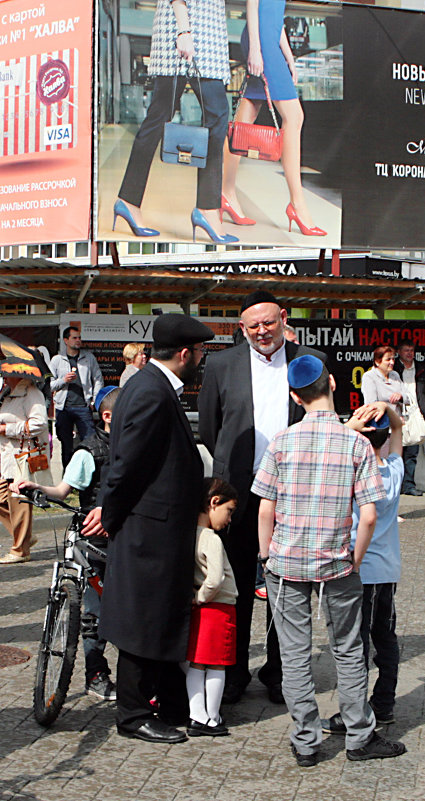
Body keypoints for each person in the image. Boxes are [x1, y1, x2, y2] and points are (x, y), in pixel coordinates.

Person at [253, 355, 406, 767]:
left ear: (294, 396)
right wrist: (355, 561)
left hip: (286, 563)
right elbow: (369, 515)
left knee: (295, 654)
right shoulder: (356, 443)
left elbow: (265, 509)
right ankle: (359, 736)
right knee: (349, 649)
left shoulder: (281, 442)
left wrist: (267, 555)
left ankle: (305, 741)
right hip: (338, 562)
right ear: (333, 385)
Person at [198, 290, 326, 705]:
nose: (261, 331)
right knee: (232, 582)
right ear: (241, 328)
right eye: (252, 325)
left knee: (284, 586)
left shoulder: (310, 360)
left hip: (292, 492)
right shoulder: (220, 364)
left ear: (284, 318)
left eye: (268, 322)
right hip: (237, 491)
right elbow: (210, 429)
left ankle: (278, 672)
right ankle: (232, 673)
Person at [98, 313, 214, 744]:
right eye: (200, 352)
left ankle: (166, 701)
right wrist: (109, 515)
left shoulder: (150, 385)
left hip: (155, 526)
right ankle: (131, 714)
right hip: (149, 529)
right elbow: (127, 463)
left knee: (155, 616)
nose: (201, 359)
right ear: (185, 354)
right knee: (141, 620)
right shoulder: (152, 391)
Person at [14, 386, 120, 700]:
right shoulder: (88, 451)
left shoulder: (138, 445)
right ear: (107, 416)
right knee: (91, 613)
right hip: (93, 539)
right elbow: (63, 490)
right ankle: (96, 674)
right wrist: (38, 489)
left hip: (126, 537)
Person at [113, 0, 238, 245]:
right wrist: (183, 30)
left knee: (159, 117)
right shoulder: (185, 31)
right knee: (215, 115)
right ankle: (207, 209)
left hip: (203, 33)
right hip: (188, 31)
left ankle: (128, 200)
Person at [322, 403, 404, 736]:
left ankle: (355, 712)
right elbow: (398, 430)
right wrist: (387, 408)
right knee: (385, 639)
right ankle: (383, 704)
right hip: (387, 571)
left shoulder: (351, 471)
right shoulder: (394, 469)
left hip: (356, 568)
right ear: (384, 439)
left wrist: (350, 425)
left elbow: (332, 444)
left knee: (355, 645)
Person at [221, 0, 326, 237]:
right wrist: (256, 50)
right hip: (262, 44)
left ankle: (226, 192)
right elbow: (253, 4)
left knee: (245, 119)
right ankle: (297, 205)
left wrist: (288, 56)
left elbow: (275, 16)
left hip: (268, 42)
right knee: (294, 116)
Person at [182, 477, 238, 738]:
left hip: (200, 608)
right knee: (217, 664)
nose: (229, 518)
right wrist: (203, 596)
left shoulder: (188, 533)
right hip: (218, 607)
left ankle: (197, 714)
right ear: (214, 503)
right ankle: (212, 717)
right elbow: (216, 578)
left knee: (196, 663)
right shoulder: (212, 538)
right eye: (229, 510)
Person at [0, 361, 51, 564]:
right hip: (7, 456)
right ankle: (25, 537)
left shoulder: (31, 393)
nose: (3, 375)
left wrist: (7, 429)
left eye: (6, 372)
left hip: (22, 456)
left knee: (18, 500)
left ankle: (20, 549)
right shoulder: (7, 392)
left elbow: (39, 424)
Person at [50, 327, 104, 469]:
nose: (78, 340)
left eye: (79, 337)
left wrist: (94, 400)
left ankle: (91, 477)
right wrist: (64, 380)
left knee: (90, 442)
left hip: (83, 407)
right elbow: (49, 385)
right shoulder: (57, 360)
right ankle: (68, 480)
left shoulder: (88, 357)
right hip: (64, 408)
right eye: (74, 338)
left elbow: (98, 378)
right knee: (66, 445)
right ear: (66, 340)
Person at [393, 339, 425, 496]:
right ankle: (396, 486)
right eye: (406, 350)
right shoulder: (394, 369)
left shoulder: (421, 369)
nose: (410, 353)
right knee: (396, 454)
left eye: (412, 350)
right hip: (397, 416)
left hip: (416, 416)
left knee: (412, 454)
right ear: (399, 352)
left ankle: (409, 485)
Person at [360, 345, 409, 415]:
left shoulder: (395, 375)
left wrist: (400, 396)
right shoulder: (369, 377)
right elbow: (371, 404)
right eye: (388, 359)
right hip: (381, 421)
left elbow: (408, 397)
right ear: (377, 361)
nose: (392, 362)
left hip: (398, 421)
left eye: (393, 359)